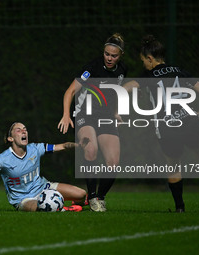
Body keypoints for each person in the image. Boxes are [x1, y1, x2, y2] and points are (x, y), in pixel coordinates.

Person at [123, 34, 199, 212]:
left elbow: (126, 88)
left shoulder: (149, 75)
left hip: (167, 125)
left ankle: (180, 208)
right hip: (189, 120)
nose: (144, 64)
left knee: (173, 165)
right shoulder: (179, 70)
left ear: (150, 58)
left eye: (143, 61)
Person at [57, 33, 127, 212]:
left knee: (113, 163)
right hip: (85, 115)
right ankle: (92, 195)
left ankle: (100, 197)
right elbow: (70, 92)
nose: (109, 58)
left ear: (121, 55)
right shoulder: (92, 68)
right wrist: (66, 115)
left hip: (105, 117)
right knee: (91, 149)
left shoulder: (121, 71)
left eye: (114, 55)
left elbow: (112, 94)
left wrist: (116, 113)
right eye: (107, 54)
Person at [0, 122, 86, 212]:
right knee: (43, 208)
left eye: (25, 129)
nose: (24, 132)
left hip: (43, 187)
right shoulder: (3, 159)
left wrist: (78, 145)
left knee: (81, 194)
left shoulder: (35, 148)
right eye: (18, 130)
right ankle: (66, 209)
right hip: (23, 199)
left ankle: (72, 203)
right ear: (10, 138)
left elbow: (63, 146)